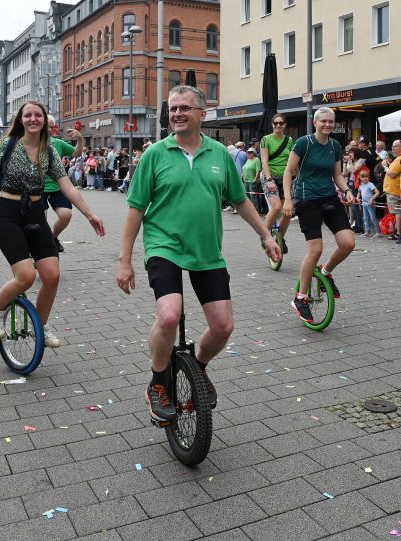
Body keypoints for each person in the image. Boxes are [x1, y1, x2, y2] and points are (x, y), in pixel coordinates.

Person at [116, 85, 280, 422]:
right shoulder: (155, 154)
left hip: (206, 251)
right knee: (170, 315)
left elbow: (240, 200)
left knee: (223, 326)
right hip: (165, 247)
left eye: (184, 108)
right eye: (173, 108)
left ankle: (199, 368)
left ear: (201, 115)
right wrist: (125, 260)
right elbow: (135, 209)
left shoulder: (219, 154)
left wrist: (266, 234)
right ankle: (159, 380)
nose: (177, 114)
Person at [0, 100, 105, 347]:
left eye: (38, 115)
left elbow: (66, 185)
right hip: (7, 214)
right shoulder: (7, 145)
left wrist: (90, 214)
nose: (33, 119)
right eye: (28, 115)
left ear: (44, 120)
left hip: (35, 213)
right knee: (25, 275)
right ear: (20, 120)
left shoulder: (49, 150)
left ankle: (40, 327)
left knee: (52, 275)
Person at [283, 107, 355, 323]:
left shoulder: (334, 145)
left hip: (329, 198)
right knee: (315, 249)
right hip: (307, 199)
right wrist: (287, 199)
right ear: (315, 123)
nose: (327, 125)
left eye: (330, 122)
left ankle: (325, 272)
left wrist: (347, 190)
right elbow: (288, 172)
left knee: (348, 243)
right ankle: (301, 297)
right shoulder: (304, 143)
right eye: (323, 121)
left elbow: (337, 175)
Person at [43, 115, 84, 254]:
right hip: (38, 188)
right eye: (46, 126)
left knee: (66, 214)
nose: (48, 129)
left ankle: (53, 238)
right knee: (41, 220)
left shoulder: (58, 143)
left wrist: (79, 139)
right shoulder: (30, 143)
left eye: (51, 126)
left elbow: (76, 153)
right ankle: (41, 250)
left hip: (57, 186)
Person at [261, 113, 295, 254]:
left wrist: (298, 177)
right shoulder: (266, 139)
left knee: (288, 213)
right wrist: (269, 180)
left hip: (286, 178)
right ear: (272, 125)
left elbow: (293, 160)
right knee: (276, 208)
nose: (278, 125)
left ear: (285, 125)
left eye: (281, 123)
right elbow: (264, 161)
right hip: (270, 177)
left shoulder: (290, 140)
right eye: (275, 123)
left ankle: (280, 238)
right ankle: (264, 236)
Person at [383, 139, 401, 242]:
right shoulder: (398, 158)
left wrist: (385, 167)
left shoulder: (400, 158)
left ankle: (398, 233)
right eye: (392, 146)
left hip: (394, 190)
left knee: (397, 212)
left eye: (395, 146)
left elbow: (392, 173)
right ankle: (398, 232)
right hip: (393, 190)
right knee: (396, 212)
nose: (393, 148)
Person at [356, 167, 380, 237]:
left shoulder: (370, 184)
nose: (365, 178)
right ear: (360, 178)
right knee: (366, 218)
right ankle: (367, 231)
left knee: (373, 218)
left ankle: (378, 232)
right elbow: (359, 193)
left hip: (371, 204)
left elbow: (377, 192)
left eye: (366, 176)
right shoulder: (361, 186)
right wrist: (357, 198)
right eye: (363, 177)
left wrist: (372, 199)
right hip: (364, 204)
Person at [242, 147, 262, 213]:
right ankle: (248, 210)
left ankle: (255, 211)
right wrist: (243, 176)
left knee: (253, 196)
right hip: (246, 180)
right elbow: (245, 168)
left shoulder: (257, 160)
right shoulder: (248, 160)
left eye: (250, 152)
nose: (248, 154)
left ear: (254, 153)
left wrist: (255, 179)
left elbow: (258, 170)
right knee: (246, 196)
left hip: (252, 181)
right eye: (248, 152)